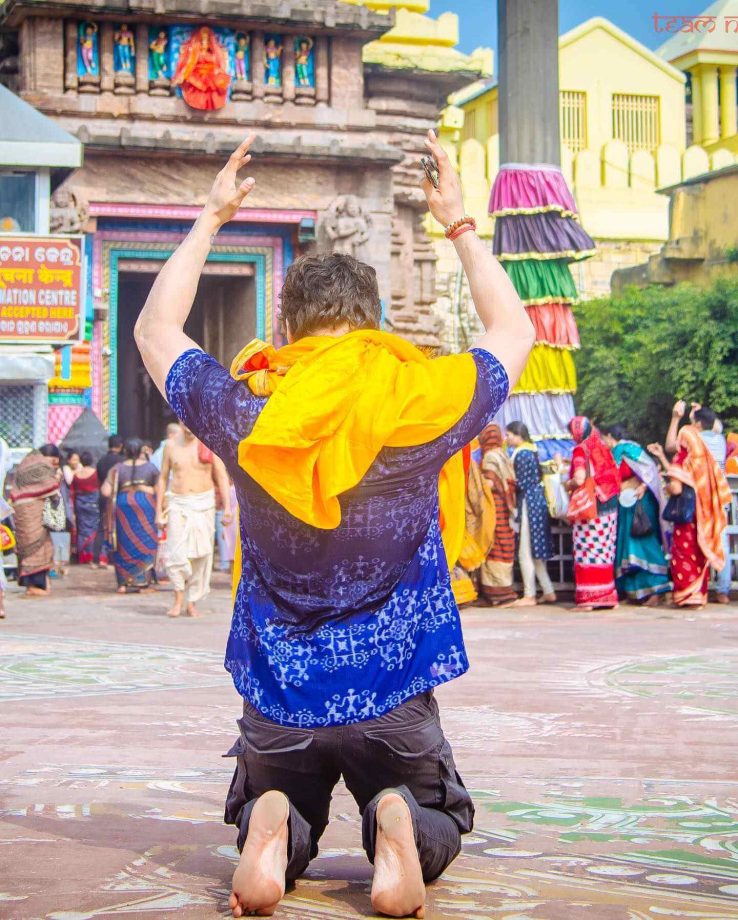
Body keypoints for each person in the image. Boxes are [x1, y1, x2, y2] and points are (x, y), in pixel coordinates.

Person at [133, 132, 534, 918]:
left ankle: (277, 817)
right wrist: (456, 224)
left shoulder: (248, 409)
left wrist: (211, 219)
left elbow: (153, 331)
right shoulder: (423, 403)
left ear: (286, 327)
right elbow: (516, 332)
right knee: (440, 818)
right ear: (374, 320)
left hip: (280, 698)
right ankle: (396, 818)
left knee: (275, 792)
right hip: (396, 694)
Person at [649, 427, 731, 608]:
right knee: (699, 555)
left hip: (687, 517)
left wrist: (667, 488)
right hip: (703, 515)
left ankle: (688, 597)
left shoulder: (682, 459)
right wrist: (663, 457)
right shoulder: (704, 460)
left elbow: (677, 487)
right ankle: (699, 596)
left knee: (684, 554)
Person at [156, 425, 232, 618]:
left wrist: (228, 507)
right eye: (184, 422)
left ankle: (192, 602)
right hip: (177, 503)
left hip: (203, 503)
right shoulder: (171, 446)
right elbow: (163, 478)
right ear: (180, 421)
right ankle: (178, 600)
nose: (188, 427)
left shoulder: (209, 442)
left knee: (202, 554)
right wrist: (158, 510)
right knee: (176, 554)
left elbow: (221, 476)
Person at [665, 401, 731, 603]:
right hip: (714, 500)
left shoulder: (693, 442)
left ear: (697, 426)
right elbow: (711, 425)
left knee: (687, 548)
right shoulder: (719, 440)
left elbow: (670, 446)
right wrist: (698, 414)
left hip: (693, 503)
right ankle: (720, 591)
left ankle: (690, 595)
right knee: (715, 542)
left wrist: (677, 418)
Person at [602, 425, 671, 605]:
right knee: (628, 548)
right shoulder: (629, 449)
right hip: (628, 504)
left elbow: (648, 470)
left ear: (609, 437)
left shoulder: (624, 449)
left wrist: (641, 486)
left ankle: (658, 590)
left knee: (644, 545)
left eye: (603, 439)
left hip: (639, 505)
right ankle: (637, 593)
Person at [566, 417, 621, 610]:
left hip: (592, 507)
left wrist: (569, 484)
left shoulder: (581, 449)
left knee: (587, 550)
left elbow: (580, 479)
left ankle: (589, 598)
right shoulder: (602, 446)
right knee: (605, 550)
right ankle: (607, 596)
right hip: (610, 504)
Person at [503, 422, 556, 607]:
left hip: (528, 504)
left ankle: (529, 594)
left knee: (524, 551)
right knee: (535, 553)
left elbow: (522, 483)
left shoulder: (523, 454)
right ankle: (548, 590)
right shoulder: (532, 450)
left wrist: (506, 485)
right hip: (536, 503)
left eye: (508, 435)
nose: (507, 438)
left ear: (518, 435)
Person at [101, 437, 160, 594]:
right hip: (145, 506)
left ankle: (122, 583)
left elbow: (105, 491)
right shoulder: (151, 467)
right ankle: (142, 584)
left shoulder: (117, 468)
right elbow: (160, 490)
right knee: (146, 541)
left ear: (124, 451)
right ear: (142, 450)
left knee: (123, 543)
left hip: (123, 506)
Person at [10, 444, 62, 597]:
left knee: (27, 544)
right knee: (37, 544)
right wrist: (57, 478)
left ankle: (33, 582)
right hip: (33, 509)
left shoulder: (25, 463)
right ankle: (34, 585)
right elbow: (51, 487)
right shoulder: (42, 465)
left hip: (20, 511)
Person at [478, 424, 517, 605]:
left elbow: (490, 484)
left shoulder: (490, 456)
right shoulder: (502, 454)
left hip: (494, 508)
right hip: (505, 507)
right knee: (503, 544)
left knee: (495, 546)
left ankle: (498, 594)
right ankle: (504, 590)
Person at [70, 450, 106, 567]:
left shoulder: (76, 475)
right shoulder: (96, 473)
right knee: (96, 530)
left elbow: (73, 492)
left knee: (83, 530)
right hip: (94, 504)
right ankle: (96, 556)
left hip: (80, 505)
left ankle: (84, 556)